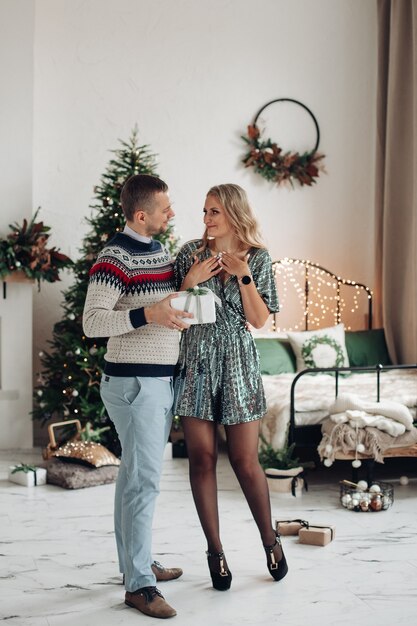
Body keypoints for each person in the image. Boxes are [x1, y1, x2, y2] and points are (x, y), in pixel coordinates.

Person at [83, 174, 193, 619]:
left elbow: (163, 299)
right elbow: (92, 322)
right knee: (144, 479)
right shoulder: (115, 256)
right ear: (141, 214)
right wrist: (150, 313)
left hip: (157, 380)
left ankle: (137, 565)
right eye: (166, 208)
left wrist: (183, 291)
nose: (173, 213)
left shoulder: (158, 250)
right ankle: (139, 586)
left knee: (133, 476)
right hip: (134, 383)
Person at [173, 183, 288, 590]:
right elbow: (174, 309)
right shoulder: (189, 253)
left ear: (234, 214)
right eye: (204, 211)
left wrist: (243, 277)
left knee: (244, 461)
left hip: (238, 364)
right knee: (201, 459)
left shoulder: (257, 257)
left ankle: (269, 539)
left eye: (214, 212)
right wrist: (190, 279)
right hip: (196, 363)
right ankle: (215, 550)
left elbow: (259, 321)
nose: (206, 219)